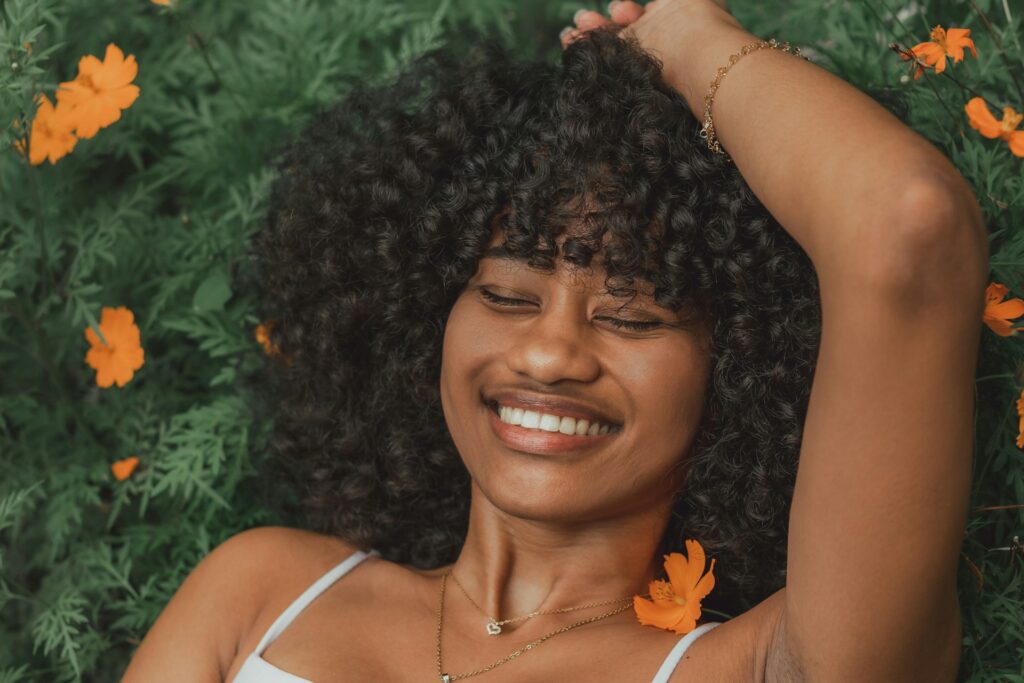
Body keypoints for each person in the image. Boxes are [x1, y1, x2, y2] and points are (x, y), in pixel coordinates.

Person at [122, 0, 987, 681]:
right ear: (426, 318)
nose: (548, 354)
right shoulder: (263, 591)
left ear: (736, 376)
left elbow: (907, 227)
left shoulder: (761, 666)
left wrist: (688, 37)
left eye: (633, 315)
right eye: (504, 294)